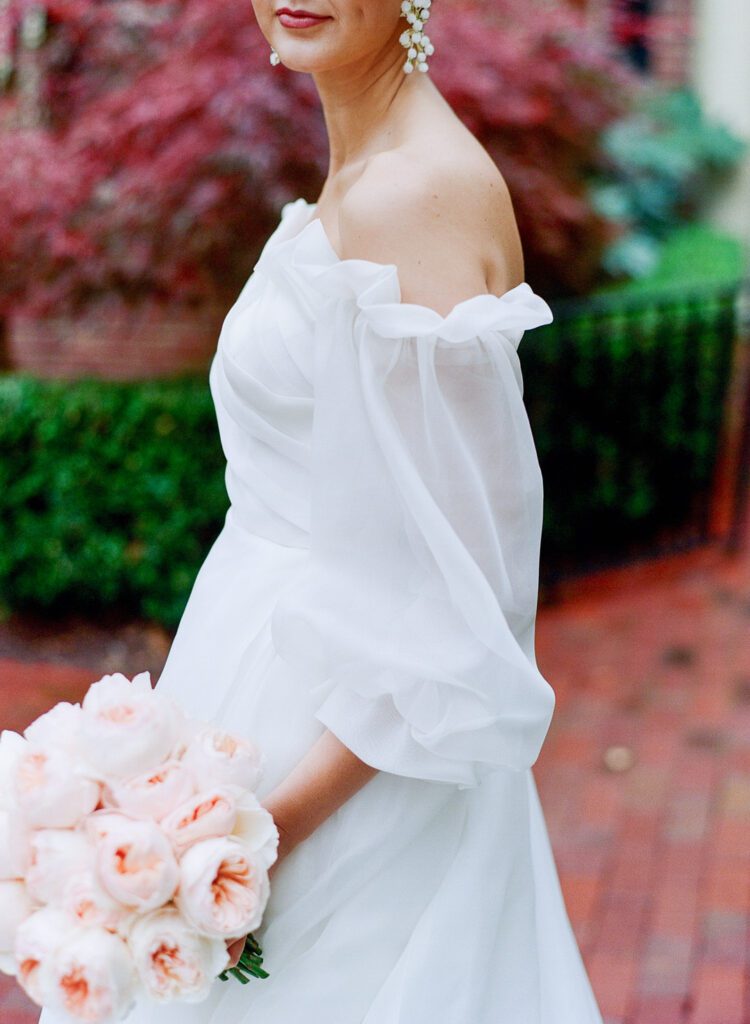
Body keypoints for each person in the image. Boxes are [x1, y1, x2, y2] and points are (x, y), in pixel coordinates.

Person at [42, 2, 605, 1021]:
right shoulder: (363, 164)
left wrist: (255, 836)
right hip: (258, 685)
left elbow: (460, 597)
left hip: (340, 756)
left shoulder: (416, 193)